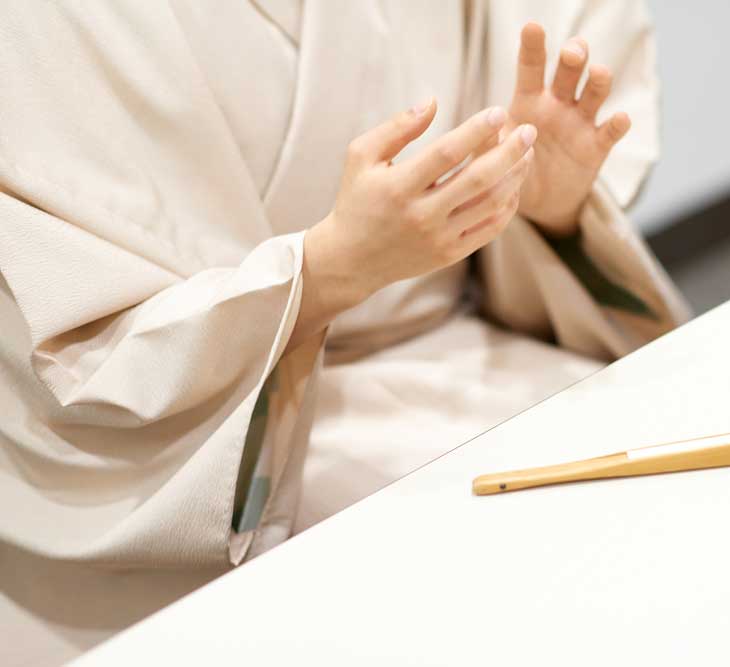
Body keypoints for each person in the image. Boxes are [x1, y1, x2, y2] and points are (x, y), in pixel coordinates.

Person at [0, 1, 690, 663]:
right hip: (236, 431)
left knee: (666, 496)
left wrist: (536, 199)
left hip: (462, 345)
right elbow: (71, 339)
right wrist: (326, 271)